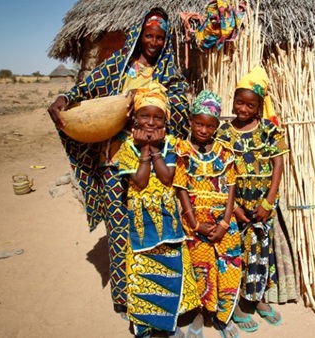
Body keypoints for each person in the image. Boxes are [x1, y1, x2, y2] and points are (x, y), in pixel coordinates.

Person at [46, 7, 191, 318]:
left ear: (165, 41)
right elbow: (85, 89)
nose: (153, 42)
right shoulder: (118, 66)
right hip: (114, 159)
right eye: (149, 36)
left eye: (160, 38)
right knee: (118, 225)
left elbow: (181, 106)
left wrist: (152, 96)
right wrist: (64, 99)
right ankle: (123, 296)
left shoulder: (168, 71)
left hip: (152, 163)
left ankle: (150, 292)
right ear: (139, 36)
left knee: (151, 224)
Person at [117, 83, 199, 338]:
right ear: (135, 118)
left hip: (168, 222)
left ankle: (169, 321)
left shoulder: (171, 143)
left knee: (172, 269)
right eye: (145, 116)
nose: (151, 122)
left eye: (157, 117)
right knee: (144, 274)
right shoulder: (127, 147)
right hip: (142, 225)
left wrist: (154, 152)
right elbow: (140, 181)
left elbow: (166, 178)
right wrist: (144, 150)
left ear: (165, 120)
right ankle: (147, 323)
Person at [216, 66, 288, 332]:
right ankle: (233, 305)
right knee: (234, 254)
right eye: (239, 102)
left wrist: (268, 203)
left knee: (259, 254)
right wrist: (232, 207)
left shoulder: (269, 130)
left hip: (262, 207)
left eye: (250, 104)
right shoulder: (223, 133)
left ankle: (256, 300)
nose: (243, 108)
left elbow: (278, 166)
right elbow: (220, 170)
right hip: (233, 206)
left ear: (258, 107)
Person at [173, 90, 242, 338]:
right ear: (191, 121)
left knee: (228, 267)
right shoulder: (183, 150)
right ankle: (201, 314)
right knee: (200, 269)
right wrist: (194, 223)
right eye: (199, 123)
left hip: (224, 220)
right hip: (195, 221)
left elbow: (231, 186)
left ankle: (223, 317)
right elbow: (181, 187)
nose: (203, 130)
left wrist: (225, 222)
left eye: (209, 125)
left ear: (216, 126)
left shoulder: (225, 152)